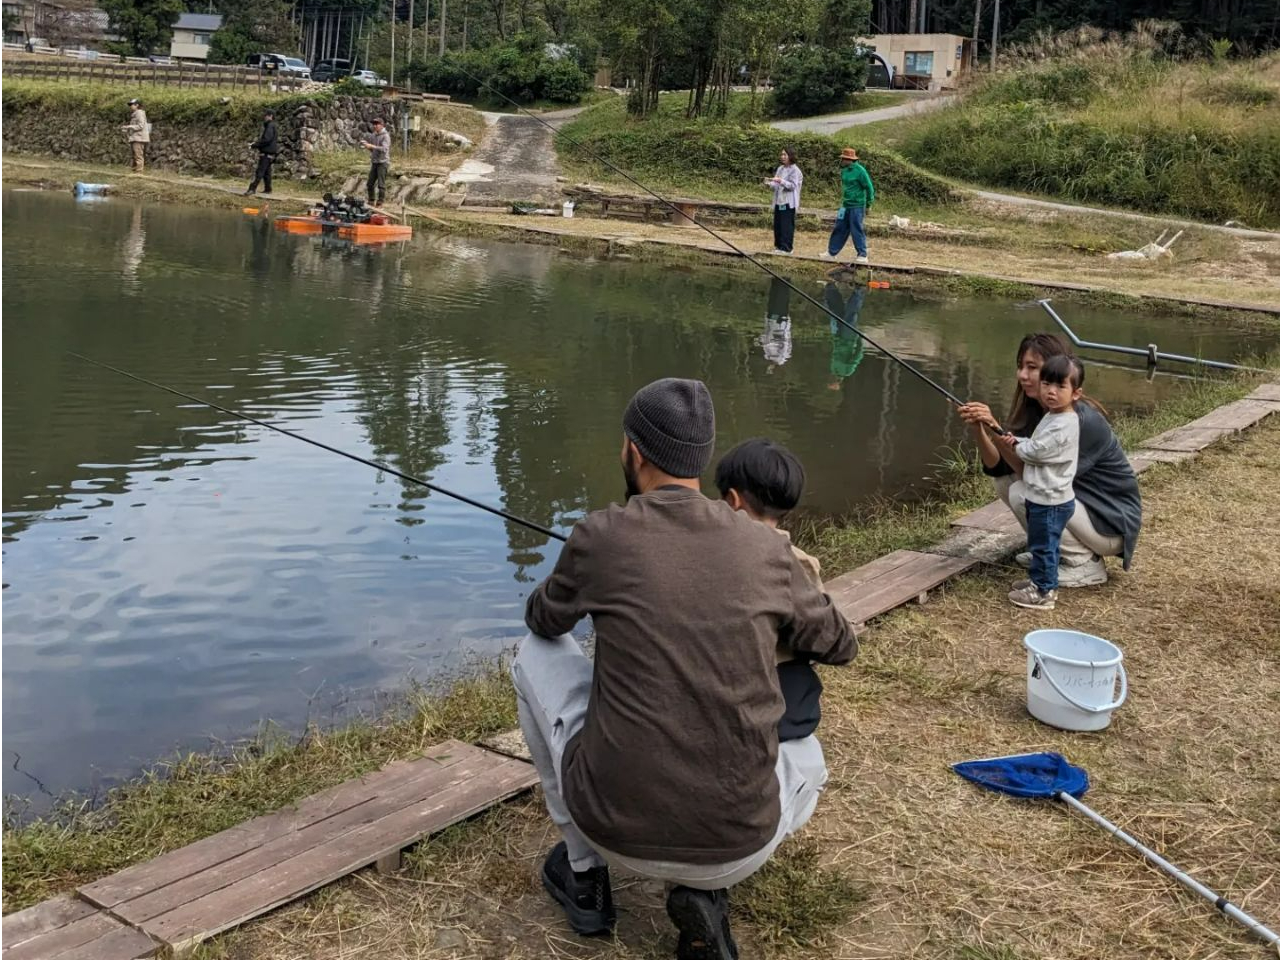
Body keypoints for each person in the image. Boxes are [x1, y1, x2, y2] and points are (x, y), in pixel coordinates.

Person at [513, 378, 857, 960]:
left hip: (611, 829)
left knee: (530, 654)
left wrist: (592, 580)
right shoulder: (769, 551)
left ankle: (583, 873)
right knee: (806, 754)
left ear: (635, 451)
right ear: (701, 458)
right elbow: (841, 644)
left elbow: (543, 620)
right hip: (745, 845)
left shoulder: (600, 535)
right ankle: (707, 890)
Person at [957, 333, 1141, 587]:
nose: (1023, 375)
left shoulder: (1076, 422)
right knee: (1005, 482)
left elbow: (1031, 475)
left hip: (1109, 521)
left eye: (1032, 368)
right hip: (1081, 508)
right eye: (1020, 366)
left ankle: (1084, 564)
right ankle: (1049, 551)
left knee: (1025, 492)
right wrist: (981, 428)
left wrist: (995, 426)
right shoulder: (1042, 411)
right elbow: (997, 467)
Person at [716, 438, 844, 742]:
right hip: (787, 709)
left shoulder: (710, 555)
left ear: (732, 500)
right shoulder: (803, 563)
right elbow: (820, 639)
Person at [994, 354, 1083, 610]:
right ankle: (1039, 581)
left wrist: (1017, 447)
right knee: (1043, 545)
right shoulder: (1054, 415)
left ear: (1076, 394)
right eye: (1046, 385)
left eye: (1060, 386)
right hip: (1044, 496)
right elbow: (1035, 444)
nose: (1051, 392)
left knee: (1044, 547)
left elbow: (1039, 451)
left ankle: (1043, 593)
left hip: (1051, 500)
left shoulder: (1065, 423)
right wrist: (1018, 440)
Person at [820, 147, 874, 265]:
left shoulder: (860, 171)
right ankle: (831, 252)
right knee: (839, 227)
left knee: (856, 229)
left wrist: (869, 204)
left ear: (849, 159)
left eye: (844, 158)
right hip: (845, 204)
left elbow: (869, 187)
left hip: (857, 205)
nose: (842, 160)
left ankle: (862, 254)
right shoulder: (844, 171)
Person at [822, 280, 866, 391]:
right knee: (850, 316)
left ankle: (830, 287)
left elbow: (835, 352)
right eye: (831, 381)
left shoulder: (833, 368)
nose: (829, 378)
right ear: (837, 382)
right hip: (848, 337)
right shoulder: (847, 371)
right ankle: (859, 290)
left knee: (835, 312)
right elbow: (858, 355)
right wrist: (860, 338)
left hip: (837, 335)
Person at [764, 147, 802, 255]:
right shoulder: (780, 168)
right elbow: (776, 184)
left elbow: (793, 186)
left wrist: (781, 181)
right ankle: (779, 246)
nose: (783, 157)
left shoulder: (795, 170)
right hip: (779, 200)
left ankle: (787, 248)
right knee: (778, 224)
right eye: (782, 154)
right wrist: (769, 183)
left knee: (786, 226)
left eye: (785, 155)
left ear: (791, 156)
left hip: (789, 202)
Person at [760, 277, 793, 370]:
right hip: (779, 323)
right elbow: (786, 340)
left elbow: (766, 336)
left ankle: (778, 281)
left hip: (773, 321)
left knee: (775, 302)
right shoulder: (781, 356)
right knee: (779, 301)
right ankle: (781, 282)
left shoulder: (768, 354)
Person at [245, 109, 279, 196]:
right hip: (271, 153)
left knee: (259, 172)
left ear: (270, 116)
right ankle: (268, 189)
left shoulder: (270, 126)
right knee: (267, 173)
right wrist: (256, 144)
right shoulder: (273, 126)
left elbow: (266, 139)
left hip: (266, 153)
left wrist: (254, 145)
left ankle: (252, 189)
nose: (264, 117)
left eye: (265, 115)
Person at [359, 118, 391, 207]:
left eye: (377, 124)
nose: (374, 126)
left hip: (383, 162)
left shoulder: (386, 136)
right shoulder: (373, 135)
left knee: (381, 184)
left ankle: (380, 202)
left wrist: (371, 146)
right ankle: (371, 200)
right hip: (375, 162)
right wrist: (367, 146)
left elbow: (384, 149)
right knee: (370, 183)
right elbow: (373, 150)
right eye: (374, 124)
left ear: (382, 125)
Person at [121, 98, 149, 173]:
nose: (130, 106)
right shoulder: (135, 113)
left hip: (139, 138)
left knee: (138, 156)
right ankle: (134, 171)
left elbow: (140, 126)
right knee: (135, 156)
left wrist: (129, 127)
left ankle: (139, 173)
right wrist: (128, 128)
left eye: (132, 105)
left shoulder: (139, 113)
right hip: (136, 137)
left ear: (137, 105)